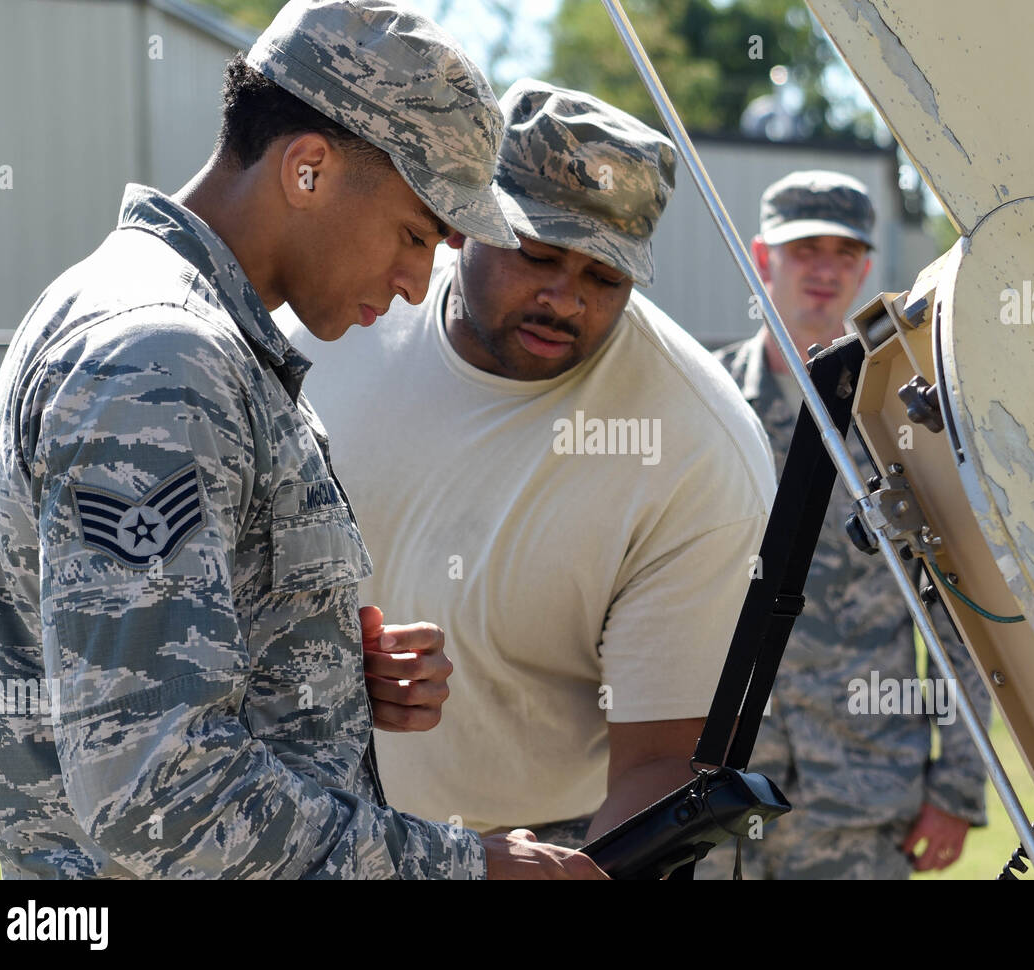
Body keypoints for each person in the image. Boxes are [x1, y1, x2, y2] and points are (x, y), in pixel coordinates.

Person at [0, 0, 603, 880]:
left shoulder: (176, 331)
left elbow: (143, 667)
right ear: (307, 168)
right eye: (415, 233)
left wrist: (321, 671)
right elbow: (161, 795)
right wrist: (469, 870)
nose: (419, 284)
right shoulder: (163, 357)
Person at [282, 79, 776, 848]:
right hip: (296, 815)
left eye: (604, 277)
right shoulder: (332, 319)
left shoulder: (699, 450)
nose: (565, 298)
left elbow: (664, 763)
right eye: (537, 255)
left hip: (538, 842)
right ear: (466, 222)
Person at [702, 171, 991, 879]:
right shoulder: (704, 410)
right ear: (763, 258)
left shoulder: (907, 424)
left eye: (844, 252)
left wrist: (955, 784)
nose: (825, 270)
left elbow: (958, 613)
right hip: (715, 788)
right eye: (805, 250)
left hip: (860, 799)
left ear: (867, 267)